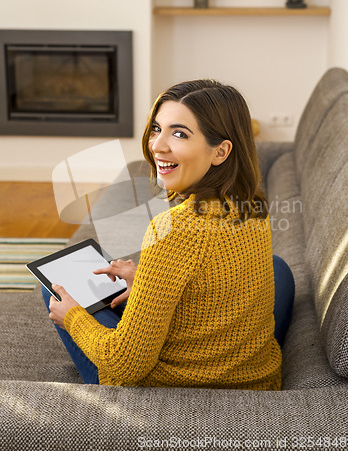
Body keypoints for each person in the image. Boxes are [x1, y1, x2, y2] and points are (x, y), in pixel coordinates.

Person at [43, 79, 295, 389]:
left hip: (173, 387)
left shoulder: (172, 230)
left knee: (56, 286)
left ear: (220, 151)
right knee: (277, 268)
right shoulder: (252, 207)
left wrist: (73, 318)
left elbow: (127, 366)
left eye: (179, 134)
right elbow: (209, 277)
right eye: (156, 129)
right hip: (257, 376)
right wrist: (148, 282)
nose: (158, 145)